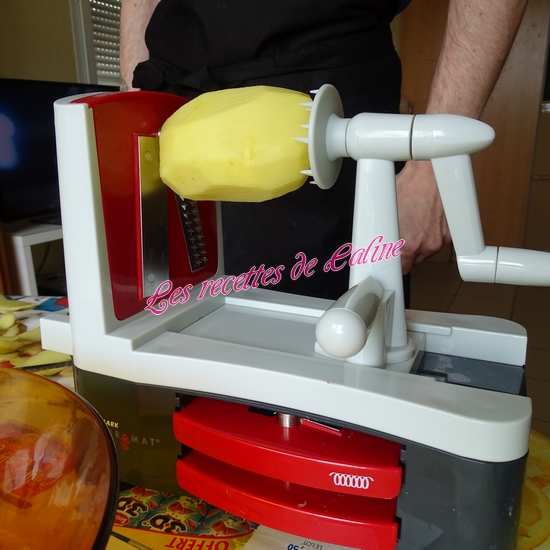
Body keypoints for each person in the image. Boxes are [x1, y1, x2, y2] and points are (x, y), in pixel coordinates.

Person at [120, 0, 528, 301]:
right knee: (186, 345)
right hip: (175, 117)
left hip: (322, 114)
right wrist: (133, 110)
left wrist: (432, 167)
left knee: (328, 353)